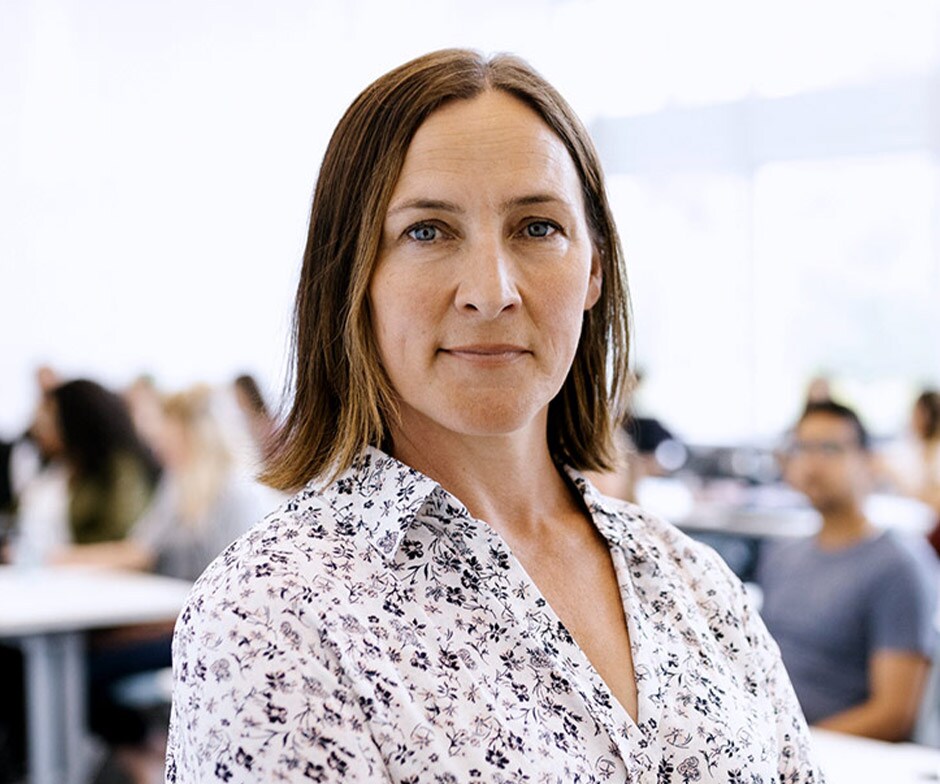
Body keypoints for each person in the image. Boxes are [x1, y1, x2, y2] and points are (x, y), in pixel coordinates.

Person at [167, 49, 822, 783]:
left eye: (537, 228)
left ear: (594, 268)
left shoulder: (691, 581)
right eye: (427, 231)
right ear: (353, 275)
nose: (491, 291)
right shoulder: (275, 610)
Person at [756, 400, 937, 741]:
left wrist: (793, 747)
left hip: (829, 750)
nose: (811, 464)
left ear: (868, 462)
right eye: (802, 448)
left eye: (830, 449)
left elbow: (894, 714)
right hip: (762, 737)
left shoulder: (899, 568)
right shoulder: (782, 554)